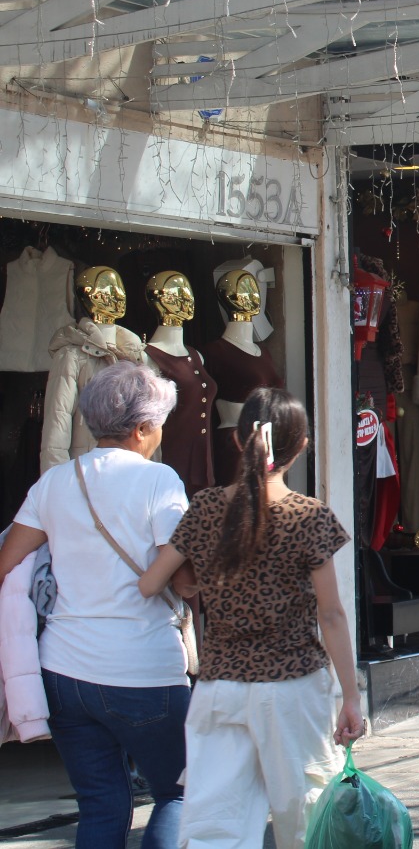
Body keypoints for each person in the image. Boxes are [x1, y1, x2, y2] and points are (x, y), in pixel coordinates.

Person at [139, 387, 363, 849]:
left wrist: (195, 576)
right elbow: (332, 614)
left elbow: (150, 583)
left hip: (219, 687)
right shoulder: (309, 516)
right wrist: (352, 697)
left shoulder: (204, 509)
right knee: (306, 820)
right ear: (300, 446)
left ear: (240, 441)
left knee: (214, 824)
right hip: (291, 686)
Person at [0, 362, 190, 849]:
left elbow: (6, 562)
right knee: (179, 793)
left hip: (63, 672)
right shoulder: (160, 481)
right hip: (145, 671)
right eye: (159, 425)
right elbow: (187, 580)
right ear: (142, 428)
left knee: (100, 802)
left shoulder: (53, 483)